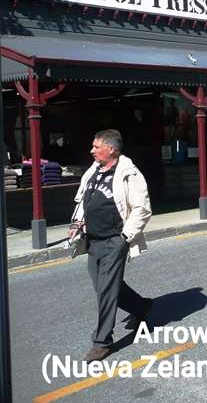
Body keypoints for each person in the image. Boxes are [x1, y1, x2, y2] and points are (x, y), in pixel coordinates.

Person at [69, 129, 153, 362]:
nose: (91, 151)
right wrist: (78, 222)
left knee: (106, 289)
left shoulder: (129, 174)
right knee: (103, 286)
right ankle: (142, 307)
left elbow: (142, 209)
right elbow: (83, 199)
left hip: (114, 240)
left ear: (111, 149)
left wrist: (124, 238)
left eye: (96, 147)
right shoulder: (93, 171)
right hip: (93, 240)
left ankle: (102, 342)